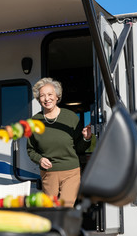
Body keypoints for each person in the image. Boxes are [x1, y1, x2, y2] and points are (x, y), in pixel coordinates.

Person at [27, 77, 92, 207]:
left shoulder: (70, 117)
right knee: (51, 209)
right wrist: (40, 159)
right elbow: (30, 150)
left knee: (66, 207)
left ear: (57, 96)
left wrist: (86, 138)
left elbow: (79, 148)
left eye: (50, 94)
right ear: (39, 99)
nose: (47, 99)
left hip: (71, 171)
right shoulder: (34, 122)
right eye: (42, 96)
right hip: (49, 173)